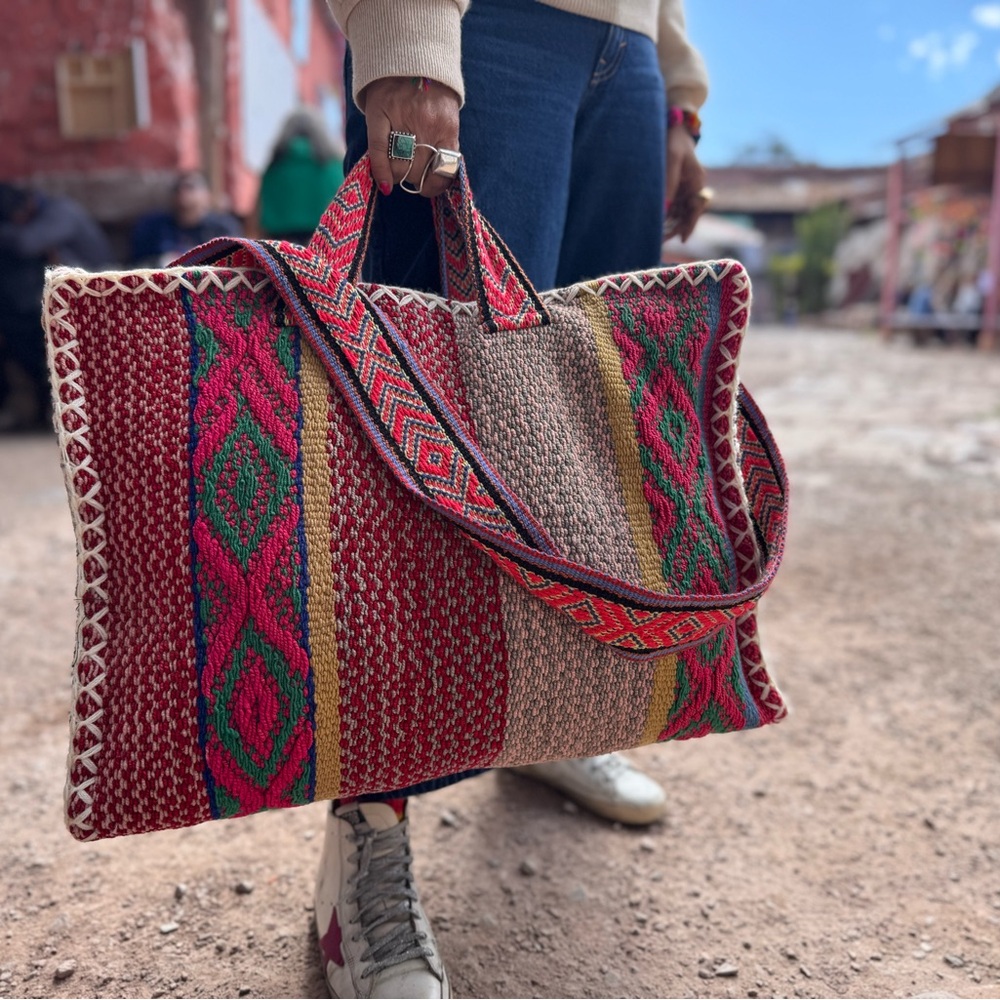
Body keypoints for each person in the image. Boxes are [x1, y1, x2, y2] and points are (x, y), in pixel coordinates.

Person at [316, 3, 711, 996]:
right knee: (428, 434)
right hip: (483, 30)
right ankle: (367, 837)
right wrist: (403, 31)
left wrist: (676, 92)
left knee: (585, 428)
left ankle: (552, 724)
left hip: (623, 60)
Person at [0, 183, 114, 430]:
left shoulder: (60, 212)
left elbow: (26, 243)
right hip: (65, 298)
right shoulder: (39, 213)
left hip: (97, 298)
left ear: (26, 207)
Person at [257, 106, 346, 244]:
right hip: (320, 245)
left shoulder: (273, 168)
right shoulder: (333, 166)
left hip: (278, 246)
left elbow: (260, 215)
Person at [130, 170, 242, 266]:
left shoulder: (223, 228)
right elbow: (138, 264)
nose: (182, 193)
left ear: (207, 195)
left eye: (190, 187)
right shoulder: (153, 226)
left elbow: (235, 262)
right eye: (177, 188)